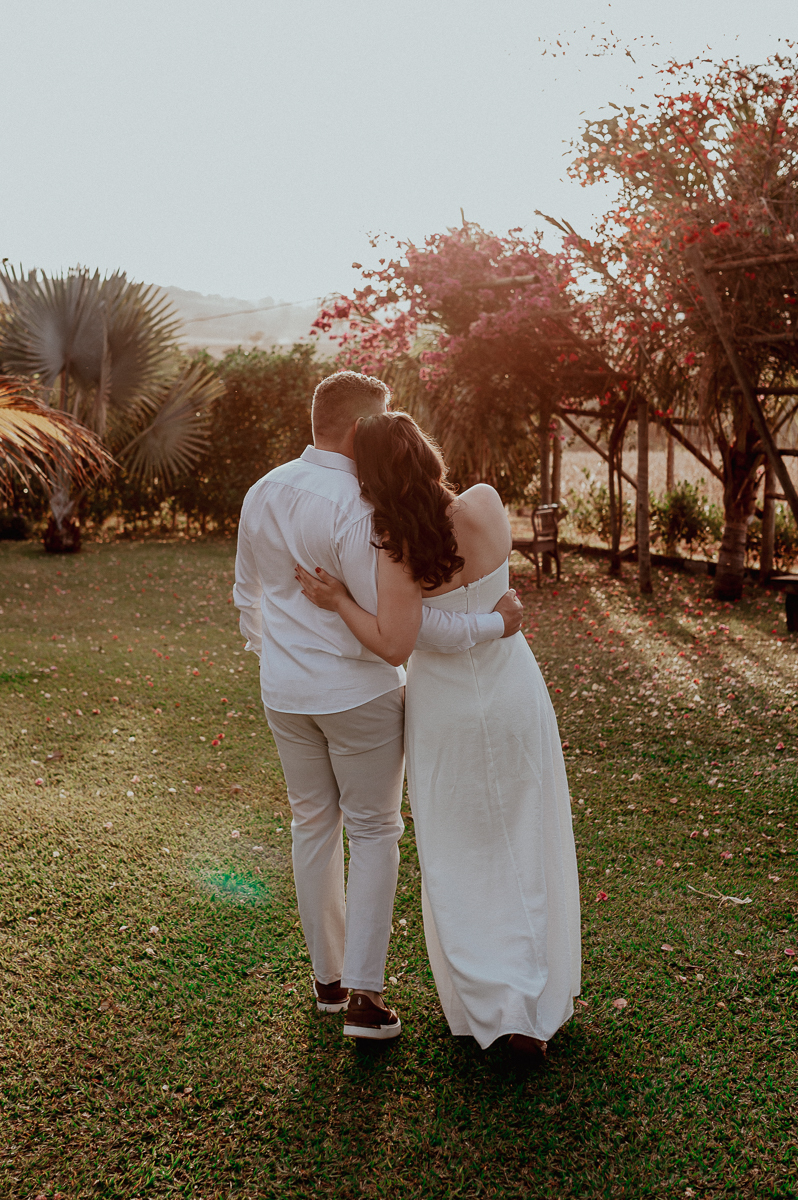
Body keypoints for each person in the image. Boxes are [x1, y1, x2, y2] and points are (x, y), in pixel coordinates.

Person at [233, 372, 524, 1041]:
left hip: (284, 692)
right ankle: (365, 997)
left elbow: (246, 594)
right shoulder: (366, 510)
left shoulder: (264, 489)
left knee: (312, 826)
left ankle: (328, 984)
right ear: (361, 425)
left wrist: (277, 657)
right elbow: (405, 630)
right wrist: (492, 625)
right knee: (372, 832)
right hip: (358, 691)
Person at [296, 410, 581, 1055]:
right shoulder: (485, 505)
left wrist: (340, 601)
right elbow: (493, 601)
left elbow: (400, 641)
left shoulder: (394, 546)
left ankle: (492, 1006)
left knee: (459, 851)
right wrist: (493, 621)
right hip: (512, 689)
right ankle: (534, 997)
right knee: (526, 835)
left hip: (445, 707)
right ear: (426, 452)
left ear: (369, 479)